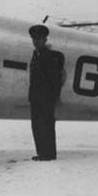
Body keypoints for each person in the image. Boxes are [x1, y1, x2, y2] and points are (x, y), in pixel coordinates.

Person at [28, 24, 64, 161]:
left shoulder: (48, 56)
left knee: (46, 125)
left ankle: (49, 154)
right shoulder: (35, 55)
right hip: (35, 97)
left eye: (39, 39)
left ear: (45, 40)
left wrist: (54, 96)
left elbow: (55, 79)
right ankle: (42, 153)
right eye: (34, 39)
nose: (36, 41)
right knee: (37, 125)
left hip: (45, 98)